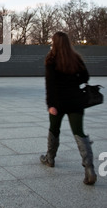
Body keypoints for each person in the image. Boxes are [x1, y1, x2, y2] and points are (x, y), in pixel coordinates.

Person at [40, 31, 97, 185]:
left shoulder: (51, 59)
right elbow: (85, 77)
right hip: (76, 101)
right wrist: (73, 81)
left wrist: (50, 105)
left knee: (54, 129)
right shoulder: (76, 58)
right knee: (79, 133)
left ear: (55, 43)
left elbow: (50, 85)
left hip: (58, 102)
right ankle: (89, 169)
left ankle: (50, 158)